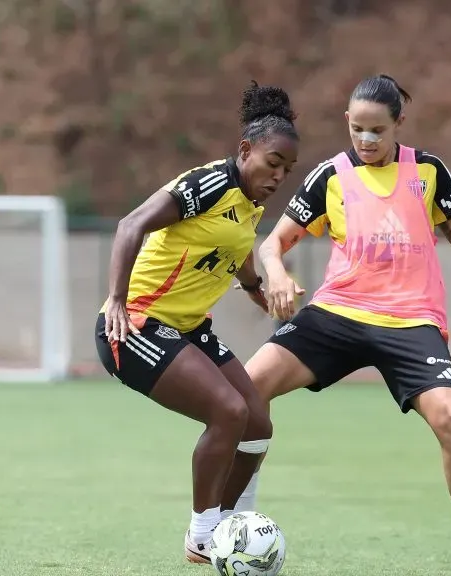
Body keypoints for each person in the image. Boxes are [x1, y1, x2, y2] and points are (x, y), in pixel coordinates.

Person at [227, 75, 451, 576]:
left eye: (377, 130)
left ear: (399, 123)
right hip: (338, 312)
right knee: (248, 390)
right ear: (347, 123)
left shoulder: (428, 172)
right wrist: (274, 272)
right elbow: (273, 243)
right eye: (357, 129)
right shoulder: (330, 176)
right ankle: (237, 520)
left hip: (411, 321)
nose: (366, 141)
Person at [94, 81, 299, 564]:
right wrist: (118, 302)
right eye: (273, 163)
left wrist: (257, 289)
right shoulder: (205, 184)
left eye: (287, 170)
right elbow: (130, 225)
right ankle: (203, 535)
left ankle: (235, 526)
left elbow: (234, 248)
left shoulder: (250, 201)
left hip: (187, 328)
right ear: (245, 150)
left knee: (257, 423)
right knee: (228, 412)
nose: (279, 177)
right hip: (137, 327)